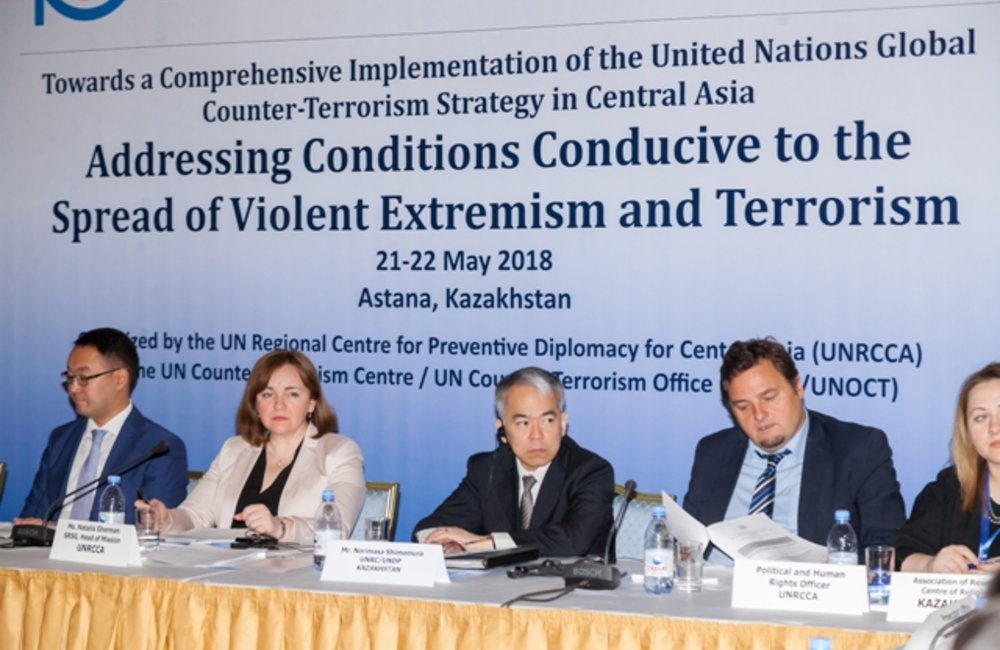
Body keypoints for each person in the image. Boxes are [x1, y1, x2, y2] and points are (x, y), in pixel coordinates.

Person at [683, 337, 906, 549]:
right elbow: (687, 541)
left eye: (769, 398)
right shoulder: (712, 452)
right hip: (719, 576)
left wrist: (837, 568)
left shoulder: (858, 449)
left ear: (798, 388)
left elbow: (885, 545)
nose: (759, 415)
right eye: (743, 406)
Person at [140, 349, 365, 544]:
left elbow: (338, 528)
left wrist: (280, 527)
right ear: (256, 406)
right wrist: (166, 519)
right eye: (267, 394)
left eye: (293, 394)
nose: (279, 405)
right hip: (230, 571)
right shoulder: (233, 450)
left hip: (298, 575)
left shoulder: (338, 451)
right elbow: (194, 514)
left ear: (312, 403)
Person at [412, 366, 614, 557]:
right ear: (502, 430)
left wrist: (489, 542)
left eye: (547, 421)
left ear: (563, 423)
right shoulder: (486, 469)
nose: (536, 435)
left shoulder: (590, 471)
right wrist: (447, 543)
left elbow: (574, 541)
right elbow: (429, 527)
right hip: (496, 583)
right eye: (523, 423)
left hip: (571, 582)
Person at [17, 327, 188, 525]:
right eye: (70, 377)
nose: (73, 388)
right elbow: (31, 517)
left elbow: (156, 530)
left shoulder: (159, 448)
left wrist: (64, 533)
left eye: (83, 378)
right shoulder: (60, 439)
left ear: (119, 379)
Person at [895, 362, 1000, 573]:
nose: (994, 427)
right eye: (980, 417)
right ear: (968, 433)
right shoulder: (949, 488)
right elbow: (900, 555)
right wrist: (930, 564)